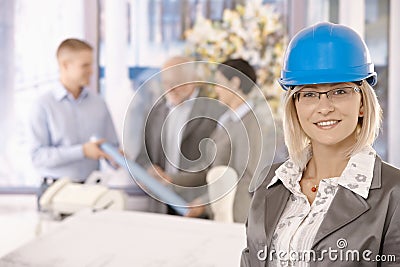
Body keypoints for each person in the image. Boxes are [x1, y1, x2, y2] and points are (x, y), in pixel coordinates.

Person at [241, 22, 400, 266]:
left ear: (361, 103)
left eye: (340, 91)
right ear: (295, 105)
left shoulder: (394, 194)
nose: (324, 108)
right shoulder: (270, 182)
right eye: (309, 94)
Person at [160, 58, 282, 222]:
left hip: (237, 216)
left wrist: (204, 203)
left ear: (235, 83)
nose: (216, 90)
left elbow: (245, 178)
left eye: (218, 83)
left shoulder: (253, 125)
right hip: (220, 214)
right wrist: (173, 179)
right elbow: (209, 167)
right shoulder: (227, 121)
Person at [28, 38, 118, 204]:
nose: (91, 71)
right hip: (54, 193)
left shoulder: (99, 103)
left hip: (92, 192)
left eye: (91, 64)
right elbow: (38, 156)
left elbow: (111, 145)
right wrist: (82, 151)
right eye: (85, 65)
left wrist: (115, 158)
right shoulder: (43, 105)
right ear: (65, 65)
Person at [135, 56, 226, 213]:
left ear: (193, 80)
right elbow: (142, 156)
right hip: (160, 204)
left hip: (195, 204)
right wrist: (149, 170)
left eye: (176, 83)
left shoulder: (216, 112)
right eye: (166, 83)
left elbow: (217, 165)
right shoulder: (155, 111)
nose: (170, 89)